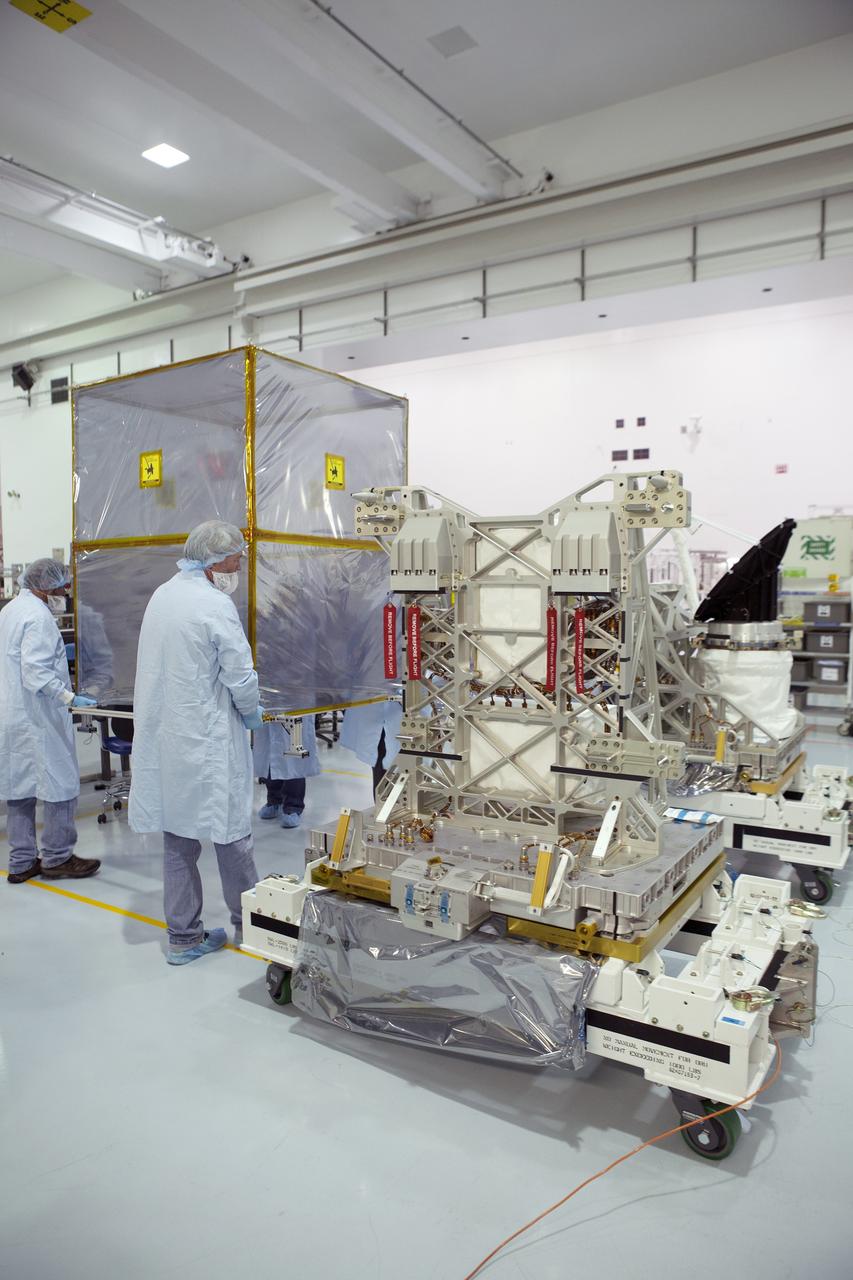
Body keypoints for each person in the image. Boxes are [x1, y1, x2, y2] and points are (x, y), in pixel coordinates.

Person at [129, 521, 263, 965]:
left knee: (178, 837)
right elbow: (238, 673)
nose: (240, 564)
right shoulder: (213, 604)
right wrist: (251, 710)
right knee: (232, 836)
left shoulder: (162, 595)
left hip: (169, 740)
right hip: (207, 738)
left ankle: (183, 939)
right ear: (212, 560)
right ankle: (252, 929)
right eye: (235, 558)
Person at [0, 559, 100, 883]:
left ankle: (21, 861)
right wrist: (70, 698)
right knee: (60, 784)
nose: (66, 591)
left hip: (13, 715)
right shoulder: (39, 616)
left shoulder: (10, 611)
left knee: (19, 788)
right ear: (44, 585)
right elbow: (37, 673)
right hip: (39, 718)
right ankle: (57, 857)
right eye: (62, 585)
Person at [253, 717, 319, 828]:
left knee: (293, 760)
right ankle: (274, 800)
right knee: (271, 755)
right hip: (270, 711)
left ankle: (293, 807)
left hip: (294, 711)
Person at [340, 699, 403, 798]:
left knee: (411, 768)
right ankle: (382, 809)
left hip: (404, 714)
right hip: (376, 714)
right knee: (381, 768)